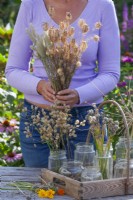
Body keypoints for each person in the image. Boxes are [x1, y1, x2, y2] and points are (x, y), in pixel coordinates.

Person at [5, 0, 120, 167]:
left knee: (84, 188)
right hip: (38, 123)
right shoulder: (31, 4)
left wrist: (79, 95)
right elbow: (13, 70)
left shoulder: (103, 5)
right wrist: (40, 86)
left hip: (85, 123)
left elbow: (111, 73)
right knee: (40, 189)